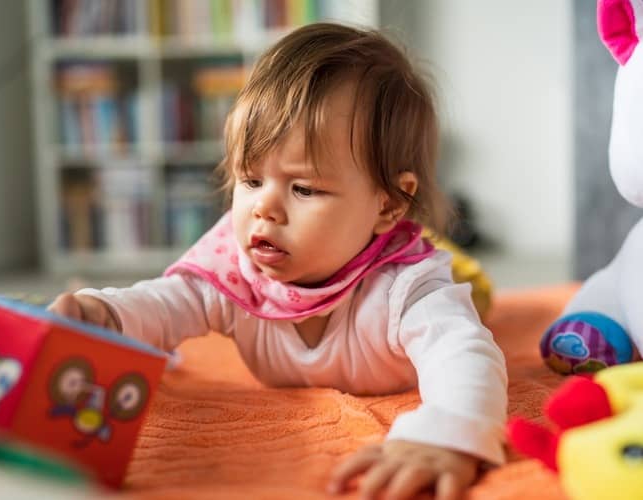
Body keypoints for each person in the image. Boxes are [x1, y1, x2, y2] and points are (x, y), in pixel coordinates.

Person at [49, 22, 507, 500]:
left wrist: (445, 435)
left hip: (408, 258)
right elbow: (164, 304)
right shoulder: (235, 264)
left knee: (471, 293)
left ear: (389, 203)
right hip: (361, 238)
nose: (264, 208)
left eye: (304, 188)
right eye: (250, 180)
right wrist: (105, 314)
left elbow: (463, 353)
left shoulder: (408, 286)